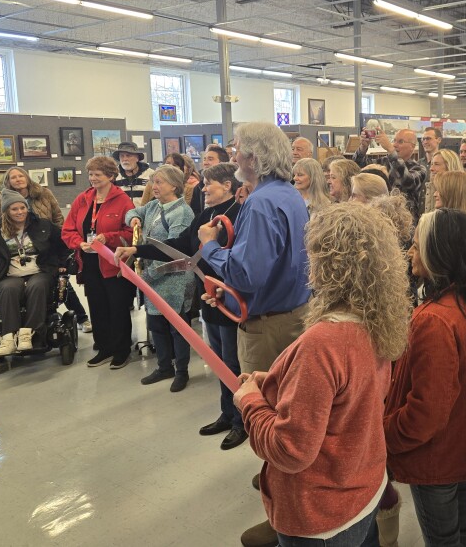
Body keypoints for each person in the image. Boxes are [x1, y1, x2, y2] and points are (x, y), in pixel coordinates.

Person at [234, 203, 410, 544]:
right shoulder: (376, 321)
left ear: (326, 264)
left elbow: (290, 450)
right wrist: (278, 382)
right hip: (363, 486)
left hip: (322, 514)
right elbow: (345, 398)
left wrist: (251, 403)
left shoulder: (323, 342)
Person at [198, 122, 311, 547]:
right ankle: (279, 484)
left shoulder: (262, 203)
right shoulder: (287, 194)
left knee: (271, 418)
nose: (232, 157)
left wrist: (210, 246)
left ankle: (285, 509)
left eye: (237, 150)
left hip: (268, 327)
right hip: (291, 313)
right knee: (289, 411)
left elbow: (247, 273)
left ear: (254, 157)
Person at [384, 209, 466, 545]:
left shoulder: (435, 320)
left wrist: (383, 434)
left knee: (444, 538)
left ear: (439, 255)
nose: (410, 251)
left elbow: (426, 413)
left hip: (437, 456)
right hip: (463, 443)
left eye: (417, 244)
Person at [116, 163, 249, 449]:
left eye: (208, 184)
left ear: (227, 185)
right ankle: (227, 413)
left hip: (229, 298)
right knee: (218, 361)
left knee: (233, 363)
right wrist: (136, 249)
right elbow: (178, 245)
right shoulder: (204, 215)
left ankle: (242, 421)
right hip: (208, 297)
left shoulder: (240, 214)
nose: (203, 188)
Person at [123, 165, 195, 392]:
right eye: (153, 182)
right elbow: (131, 212)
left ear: (174, 186)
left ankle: (182, 371)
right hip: (152, 279)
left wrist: (146, 275)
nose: (154, 186)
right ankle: (164, 367)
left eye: (159, 182)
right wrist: (135, 219)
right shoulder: (154, 205)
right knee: (156, 325)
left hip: (174, 278)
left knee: (178, 328)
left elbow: (174, 251)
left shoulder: (182, 213)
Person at [62, 156, 136, 369]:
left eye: (98, 174)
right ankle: (104, 348)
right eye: (90, 174)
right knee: (97, 307)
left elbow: (131, 233)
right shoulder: (83, 199)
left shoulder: (123, 201)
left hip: (114, 263)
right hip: (89, 263)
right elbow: (67, 230)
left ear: (111, 176)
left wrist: (108, 237)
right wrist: (79, 243)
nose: (93, 178)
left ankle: (121, 350)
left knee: (118, 307)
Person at [0, 167, 90, 331]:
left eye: (20, 175)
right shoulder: (4, 199)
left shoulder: (43, 194)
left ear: (27, 177)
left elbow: (57, 216)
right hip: (21, 247)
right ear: (8, 182)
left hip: (48, 243)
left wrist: (61, 241)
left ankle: (82, 318)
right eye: (13, 177)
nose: (18, 179)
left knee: (62, 284)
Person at [0, 189, 71, 356]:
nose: (20, 212)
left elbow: (63, 246)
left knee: (37, 285)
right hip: (10, 274)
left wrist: (63, 264)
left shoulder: (43, 225)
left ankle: (29, 334)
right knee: (8, 289)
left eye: (22, 208)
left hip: (40, 270)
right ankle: (8, 337)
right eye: (14, 209)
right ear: (6, 211)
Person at [354, 128, 426, 221]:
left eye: (400, 141)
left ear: (412, 146)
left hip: (404, 222)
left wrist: (391, 150)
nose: (395, 145)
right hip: (379, 218)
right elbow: (358, 168)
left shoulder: (419, 169)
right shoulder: (383, 162)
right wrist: (363, 148)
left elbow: (407, 181)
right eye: (394, 141)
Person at [189, 144, 231, 214]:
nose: (205, 163)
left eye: (210, 159)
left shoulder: (234, 184)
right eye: (204, 159)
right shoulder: (199, 187)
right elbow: (196, 213)